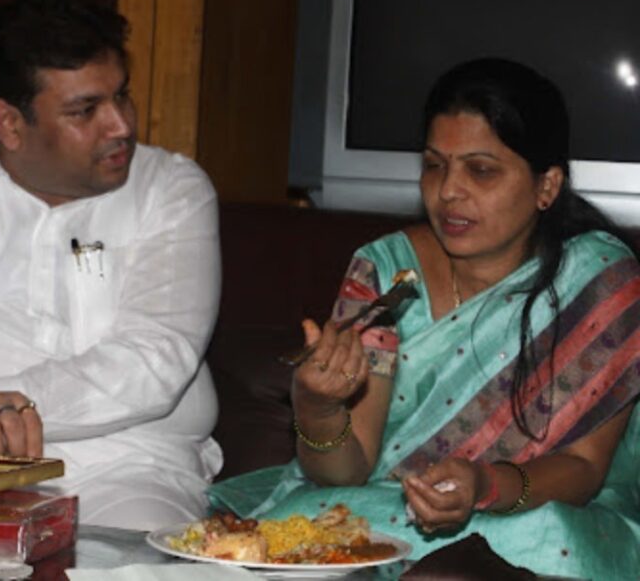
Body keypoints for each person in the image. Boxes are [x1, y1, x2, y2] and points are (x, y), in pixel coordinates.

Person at [209, 58, 640, 578]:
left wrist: (485, 486)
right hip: (381, 506)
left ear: (546, 185)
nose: (449, 191)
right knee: (298, 525)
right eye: (435, 165)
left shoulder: (599, 278)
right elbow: (347, 474)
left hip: (533, 511)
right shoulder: (388, 272)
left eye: (481, 170)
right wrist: (317, 407)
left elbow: (584, 468)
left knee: (555, 544)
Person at [0, 0, 221, 530]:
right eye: (86, 111)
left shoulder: (170, 189)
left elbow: (153, 362)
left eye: (121, 95)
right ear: (10, 124)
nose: (121, 125)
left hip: (125, 466)